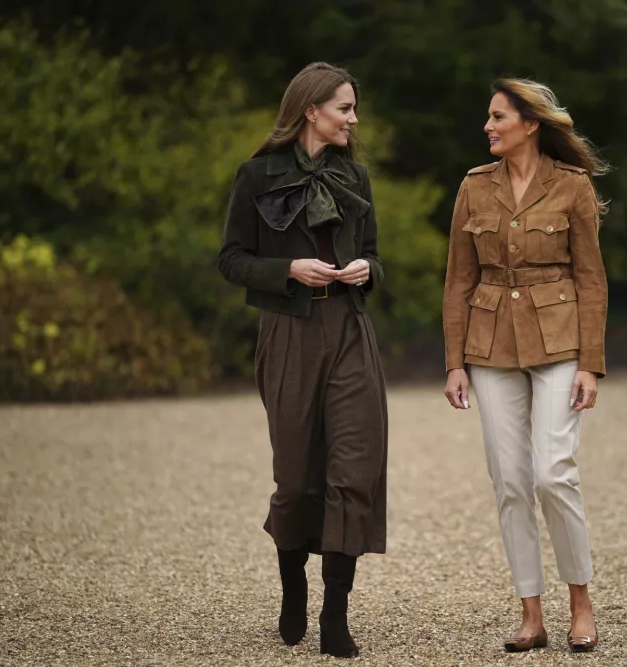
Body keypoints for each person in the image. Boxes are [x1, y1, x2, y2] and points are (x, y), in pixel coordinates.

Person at [217, 62, 387, 659]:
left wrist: (367, 270)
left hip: (349, 329)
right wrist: (287, 269)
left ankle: (335, 612)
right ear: (311, 109)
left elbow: (373, 257)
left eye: (354, 108)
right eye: (344, 107)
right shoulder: (257, 174)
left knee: (354, 471)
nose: (353, 118)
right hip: (288, 331)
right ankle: (293, 588)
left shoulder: (356, 177)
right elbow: (232, 259)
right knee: (295, 481)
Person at [442, 78, 608, 653]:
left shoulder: (573, 187)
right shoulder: (473, 188)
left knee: (552, 472)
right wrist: (454, 362)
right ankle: (531, 615)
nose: (487, 127)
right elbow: (459, 279)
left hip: (561, 343)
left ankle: (580, 606)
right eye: (488, 118)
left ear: (530, 123)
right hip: (489, 348)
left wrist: (592, 363)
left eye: (497, 117)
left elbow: (590, 278)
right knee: (510, 482)